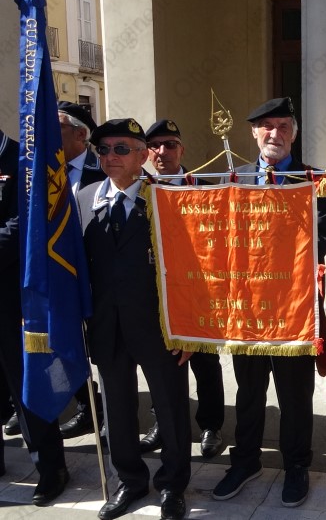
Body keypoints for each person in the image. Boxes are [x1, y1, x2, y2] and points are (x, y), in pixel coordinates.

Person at [212, 97, 326, 507]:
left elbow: (318, 240)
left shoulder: (316, 180)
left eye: (283, 126)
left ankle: (296, 465)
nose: (274, 134)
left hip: (292, 309)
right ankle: (245, 461)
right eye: (267, 126)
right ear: (254, 133)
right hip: (246, 310)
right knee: (248, 391)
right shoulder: (232, 178)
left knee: (295, 395)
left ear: (293, 135)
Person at [76, 118, 192, 520]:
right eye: (103, 149)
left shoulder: (165, 196)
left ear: (142, 155)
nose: (110, 156)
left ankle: (173, 484)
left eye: (121, 149)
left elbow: (189, 269)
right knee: (117, 409)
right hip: (106, 325)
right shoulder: (86, 197)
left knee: (170, 408)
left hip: (159, 327)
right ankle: (129, 480)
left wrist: (186, 330)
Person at [137, 119, 225, 459]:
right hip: (155, 294)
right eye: (155, 146)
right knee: (161, 365)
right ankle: (163, 422)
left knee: (205, 362)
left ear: (181, 150)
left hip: (199, 292)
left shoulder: (205, 187)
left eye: (170, 145)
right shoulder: (139, 189)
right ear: (146, 153)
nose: (162, 152)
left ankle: (211, 425)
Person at [0, 129, 71, 505]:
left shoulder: (20, 160)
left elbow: (23, 223)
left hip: (12, 296)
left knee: (25, 383)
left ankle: (50, 466)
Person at [56, 101, 106, 441]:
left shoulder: (103, 168)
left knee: (104, 349)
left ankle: (113, 412)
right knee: (67, 343)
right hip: (61, 275)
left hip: (98, 277)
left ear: (79, 134)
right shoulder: (44, 170)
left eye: (57, 125)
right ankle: (87, 406)